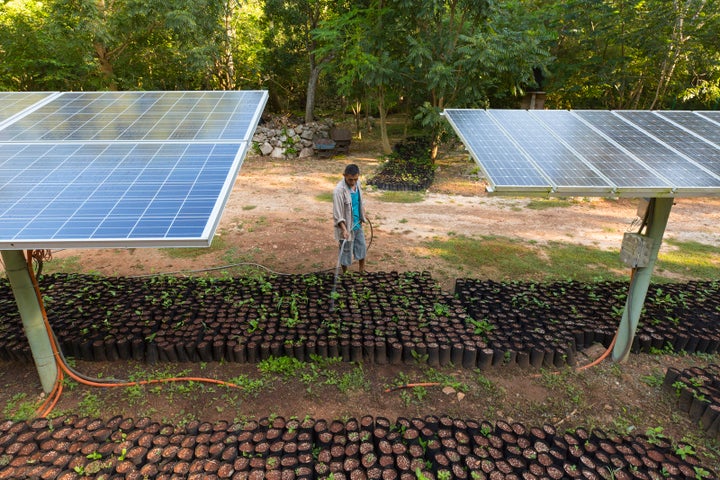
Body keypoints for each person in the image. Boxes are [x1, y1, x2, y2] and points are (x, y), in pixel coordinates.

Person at [333, 164, 367, 273]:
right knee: (346, 250)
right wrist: (343, 229)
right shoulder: (339, 191)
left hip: (357, 223)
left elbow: (359, 202)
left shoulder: (358, 184)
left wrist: (363, 214)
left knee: (361, 246)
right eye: (350, 179)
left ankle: (362, 270)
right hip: (346, 226)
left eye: (355, 179)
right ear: (344, 176)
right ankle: (345, 273)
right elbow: (337, 214)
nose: (353, 182)